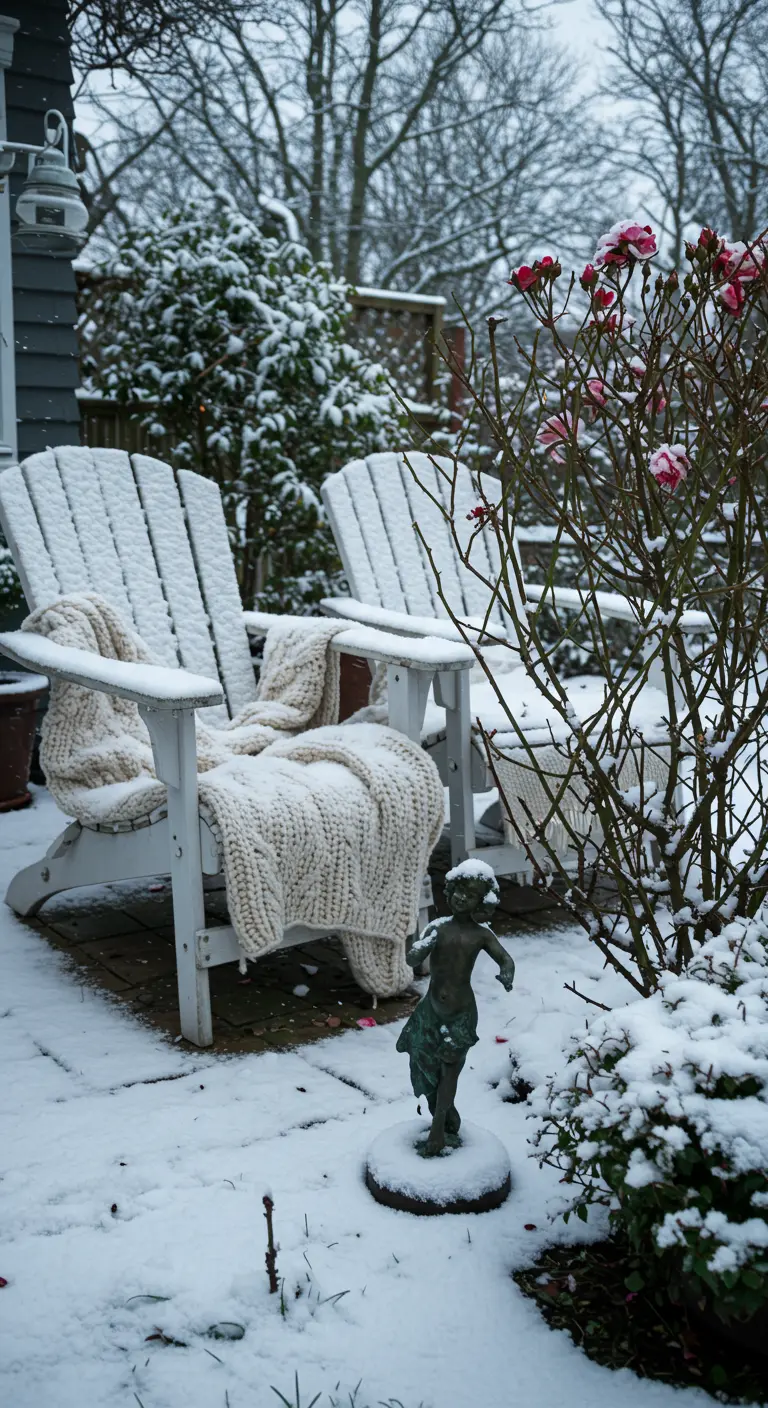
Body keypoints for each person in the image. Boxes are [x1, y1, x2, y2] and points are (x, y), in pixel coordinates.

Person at [397, 860, 516, 1156]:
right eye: (459, 890)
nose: (462, 897)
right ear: (450, 890)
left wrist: (507, 972)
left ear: (482, 902)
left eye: (471, 894)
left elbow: (505, 958)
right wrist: (422, 949)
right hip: (430, 1011)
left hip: (461, 1014)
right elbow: (412, 959)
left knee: (450, 1070)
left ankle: (438, 1129)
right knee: (424, 1066)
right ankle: (446, 1114)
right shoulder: (437, 928)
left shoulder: (481, 935)